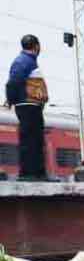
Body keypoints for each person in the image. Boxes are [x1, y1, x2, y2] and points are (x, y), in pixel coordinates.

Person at [5, 35, 48, 180]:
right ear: (36, 46)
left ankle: (38, 173)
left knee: (36, 140)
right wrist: (11, 100)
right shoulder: (23, 61)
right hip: (27, 106)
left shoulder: (28, 61)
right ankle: (29, 174)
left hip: (32, 106)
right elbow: (13, 82)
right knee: (30, 140)